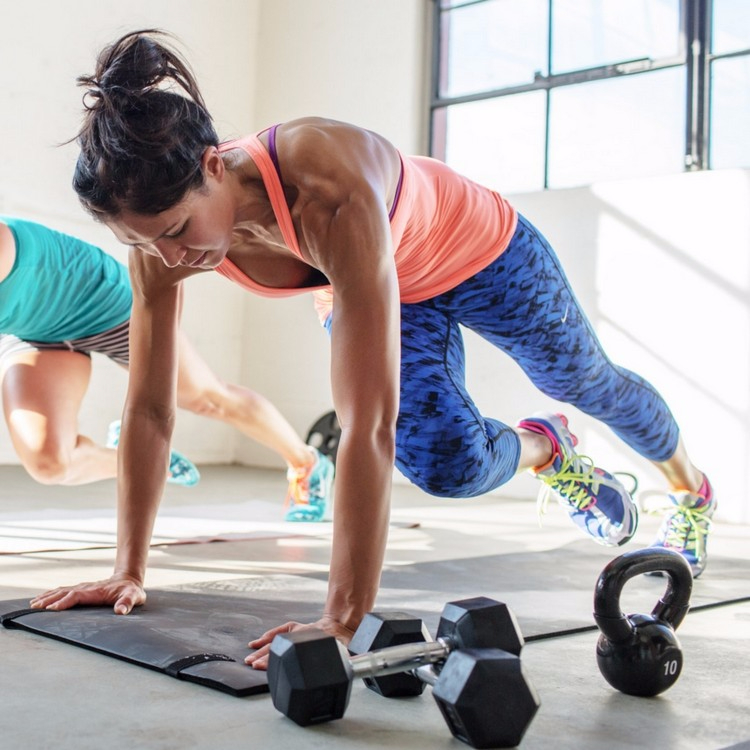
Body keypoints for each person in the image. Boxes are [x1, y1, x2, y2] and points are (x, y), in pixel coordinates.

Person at [29, 31, 715, 669]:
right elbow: (150, 410)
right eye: (144, 243)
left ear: (213, 165)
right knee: (445, 464)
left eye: (177, 230)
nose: (169, 257)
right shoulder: (160, 255)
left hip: (482, 252)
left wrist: (342, 616)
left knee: (585, 380)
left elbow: (367, 424)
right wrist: (128, 569)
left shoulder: (325, 185)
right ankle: (547, 449)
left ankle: (690, 490)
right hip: (388, 287)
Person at [0, 216, 333, 519]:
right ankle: (144, 457)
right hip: (37, 333)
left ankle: (307, 463)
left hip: (103, 304)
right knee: (50, 464)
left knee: (207, 397)